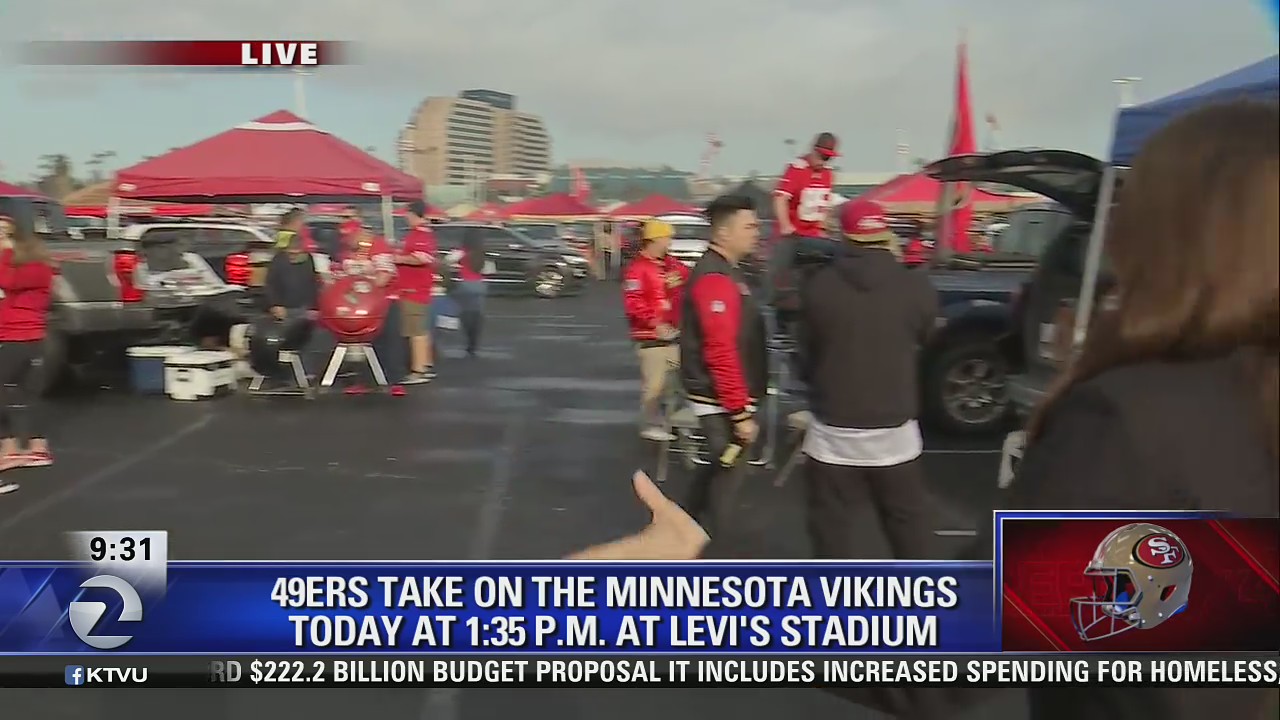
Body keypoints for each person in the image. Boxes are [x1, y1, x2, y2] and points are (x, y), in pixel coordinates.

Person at [569, 101, 1280, 720]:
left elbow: (942, 648)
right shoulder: (1236, 406)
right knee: (905, 528)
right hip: (897, 434)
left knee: (840, 533)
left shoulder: (1142, 424)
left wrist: (679, 586)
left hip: (836, 438)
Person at [797, 200, 939, 559]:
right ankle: (922, 598)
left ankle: (835, 603)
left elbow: (804, 356)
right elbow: (927, 340)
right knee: (908, 525)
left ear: (844, 237)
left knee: (832, 528)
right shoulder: (915, 286)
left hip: (833, 428)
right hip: (894, 428)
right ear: (885, 233)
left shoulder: (818, 288)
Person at [680, 194, 767, 540]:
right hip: (720, 402)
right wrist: (739, 412)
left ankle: (681, 530)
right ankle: (715, 558)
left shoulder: (729, 274)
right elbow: (720, 349)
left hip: (724, 399)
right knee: (725, 483)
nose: (757, 232)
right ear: (723, 234)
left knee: (717, 469)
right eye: (749, 226)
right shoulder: (715, 278)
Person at [622, 219, 690, 441]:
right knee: (655, 385)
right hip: (650, 338)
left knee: (679, 384)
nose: (670, 242)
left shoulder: (673, 265)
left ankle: (674, 421)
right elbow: (633, 303)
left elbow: (691, 280)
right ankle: (649, 423)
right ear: (654, 239)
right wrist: (654, 323)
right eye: (667, 237)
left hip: (674, 335)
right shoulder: (637, 269)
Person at [0, 215, 56, 480]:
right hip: (11, 335)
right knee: (18, 392)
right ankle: (18, 447)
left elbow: (8, 282)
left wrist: (5, 250)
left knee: (21, 392)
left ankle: (25, 446)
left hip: (22, 337)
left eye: (5, 232)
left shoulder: (35, 268)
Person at [768, 132, 838, 336]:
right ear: (813, 150)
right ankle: (778, 323)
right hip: (793, 237)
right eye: (821, 156)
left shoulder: (827, 175)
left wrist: (824, 226)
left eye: (828, 158)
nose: (824, 162)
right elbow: (780, 199)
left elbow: (823, 205)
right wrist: (785, 225)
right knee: (782, 283)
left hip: (814, 237)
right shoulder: (797, 169)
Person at [334, 225, 405, 396]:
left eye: (350, 237)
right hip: (357, 306)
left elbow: (385, 275)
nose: (348, 242)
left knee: (390, 342)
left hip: (384, 302)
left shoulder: (379, 246)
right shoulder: (347, 251)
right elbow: (339, 274)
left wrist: (365, 288)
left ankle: (394, 381)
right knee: (362, 344)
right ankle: (364, 381)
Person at [263, 226, 322, 380]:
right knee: (282, 340)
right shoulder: (278, 260)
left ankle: (307, 373)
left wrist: (314, 307)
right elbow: (270, 284)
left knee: (307, 340)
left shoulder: (308, 259)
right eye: (290, 254)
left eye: (296, 254)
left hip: (304, 307)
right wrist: (275, 304)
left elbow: (313, 284)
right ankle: (280, 373)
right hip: (284, 307)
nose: (293, 257)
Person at [395, 200, 437, 384]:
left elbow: (422, 257)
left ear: (413, 214)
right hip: (416, 289)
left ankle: (418, 371)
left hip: (414, 290)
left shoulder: (420, 233)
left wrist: (398, 258)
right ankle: (425, 365)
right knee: (421, 330)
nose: (405, 217)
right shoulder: (419, 232)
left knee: (416, 332)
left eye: (407, 214)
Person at [446, 227, 489, 357]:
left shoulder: (462, 252)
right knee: (477, 314)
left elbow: (447, 261)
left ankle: (468, 339)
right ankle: (473, 343)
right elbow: (488, 270)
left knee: (465, 314)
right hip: (480, 285)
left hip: (465, 283)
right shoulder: (482, 252)